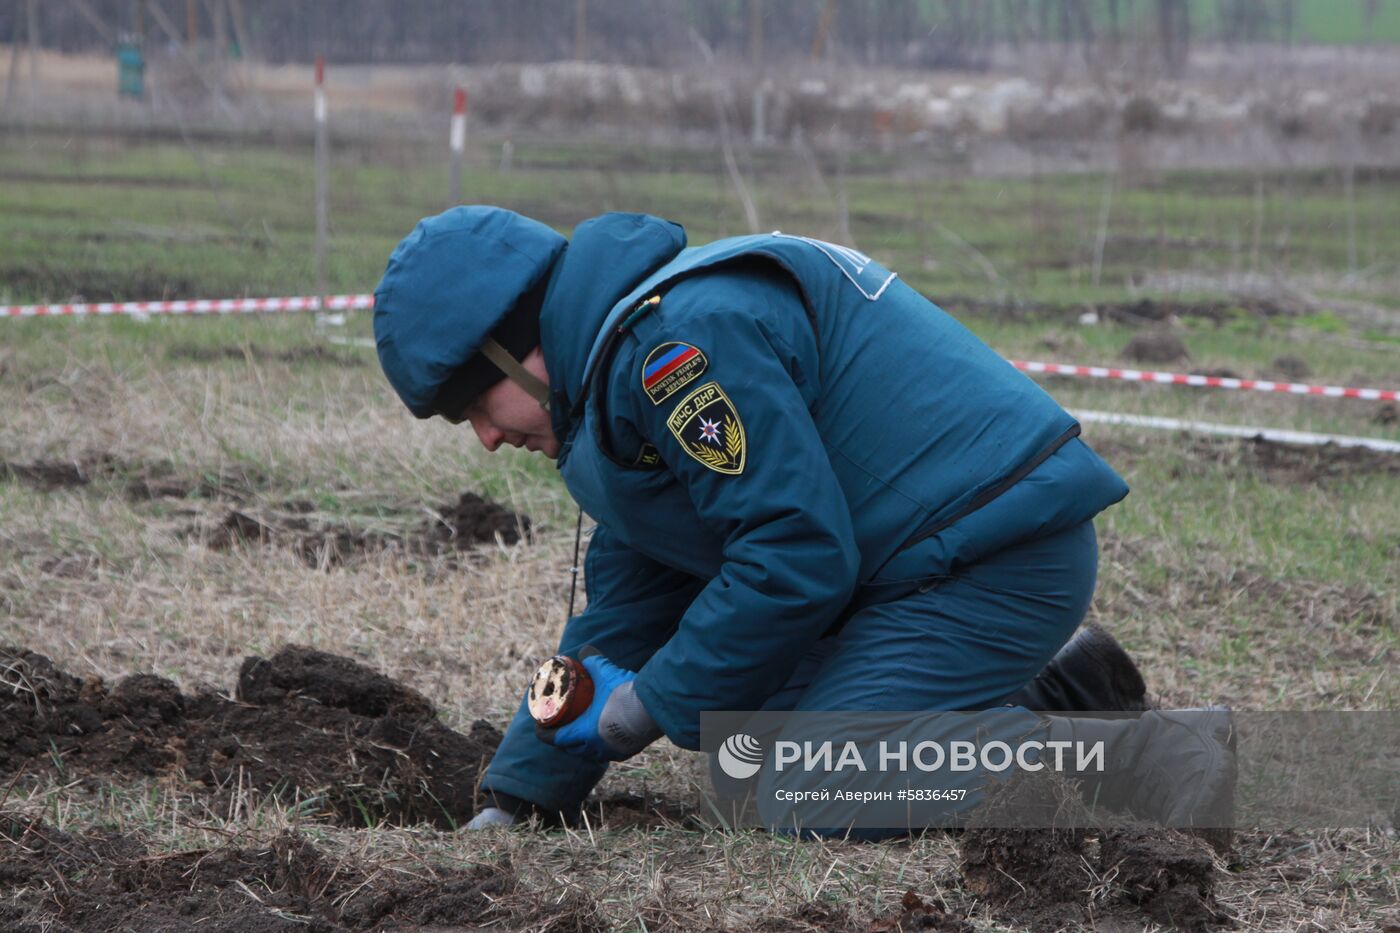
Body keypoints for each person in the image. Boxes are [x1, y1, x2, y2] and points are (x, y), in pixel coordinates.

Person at [372, 206, 1233, 833]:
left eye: (473, 406)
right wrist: (523, 790)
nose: (485, 438)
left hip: (991, 558)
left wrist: (650, 704)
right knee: (746, 739)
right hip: (917, 572)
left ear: (513, 348)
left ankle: (1157, 759)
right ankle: (1063, 685)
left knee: (795, 788)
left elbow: (795, 557)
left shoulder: (680, 348)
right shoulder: (614, 380)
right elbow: (631, 608)